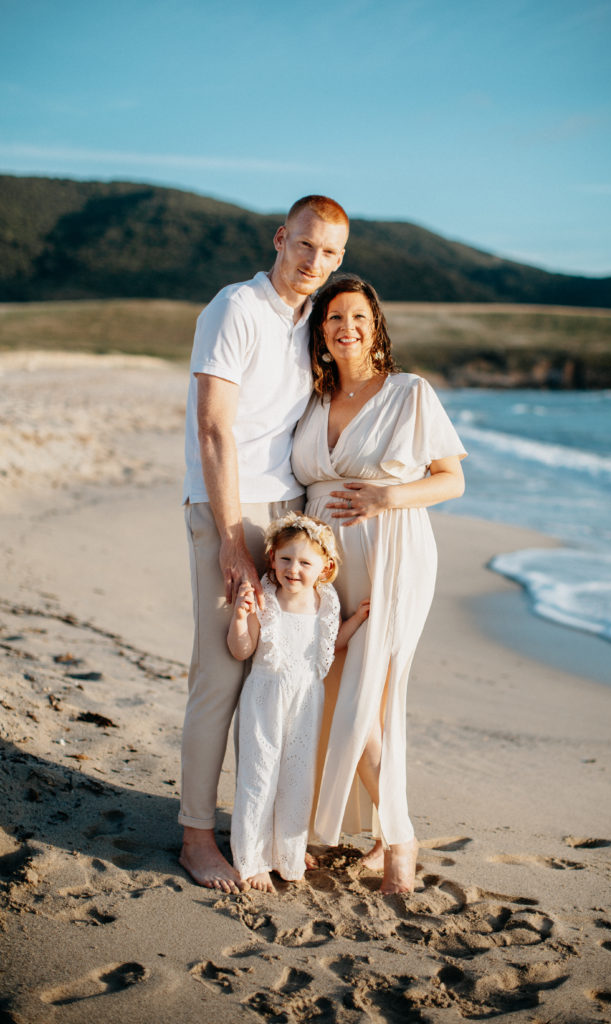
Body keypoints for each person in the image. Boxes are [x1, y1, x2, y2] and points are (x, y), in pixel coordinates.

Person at [179, 196, 349, 893]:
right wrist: (229, 538)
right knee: (221, 673)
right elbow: (213, 428)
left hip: (289, 509)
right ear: (281, 239)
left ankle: (265, 829)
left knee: (278, 671)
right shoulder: (235, 308)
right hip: (229, 504)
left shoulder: (311, 320)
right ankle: (196, 838)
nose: (314, 261)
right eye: (305, 244)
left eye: (330, 252)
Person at [291, 275, 467, 894]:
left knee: (365, 701)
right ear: (321, 330)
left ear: (376, 326)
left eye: (359, 317)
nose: (348, 328)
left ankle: (400, 837)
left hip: (392, 554)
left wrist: (386, 497)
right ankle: (377, 837)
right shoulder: (310, 399)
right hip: (322, 567)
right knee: (336, 694)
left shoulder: (409, 392)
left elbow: (451, 480)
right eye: (335, 317)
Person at [227, 512, 370, 893]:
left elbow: (330, 645)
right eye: (286, 559)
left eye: (305, 563)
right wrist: (240, 619)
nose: (294, 569)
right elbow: (242, 650)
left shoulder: (326, 602)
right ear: (272, 559)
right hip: (265, 697)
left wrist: (357, 619)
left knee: (297, 775)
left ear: (325, 568)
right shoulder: (265, 599)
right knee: (259, 776)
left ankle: (286, 853)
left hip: (307, 699)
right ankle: (253, 860)